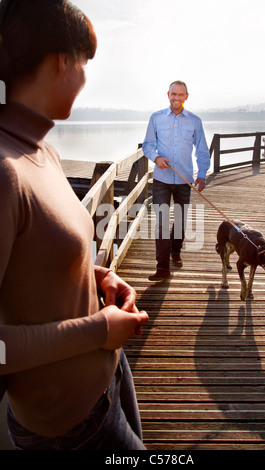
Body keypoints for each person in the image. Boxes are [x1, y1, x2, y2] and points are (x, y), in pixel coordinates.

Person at [0, 0, 149, 450]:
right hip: (68, 427)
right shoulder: (4, 169)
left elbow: (40, 255)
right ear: (63, 62)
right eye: (86, 63)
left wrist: (97, 276)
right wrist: (99, 330)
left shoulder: (43, 150)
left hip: (108, 374)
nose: (86, 77)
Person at [142, 80, 211, 281]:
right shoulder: (156, 118)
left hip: (184, 180)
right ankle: (162, 268)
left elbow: (201, 150)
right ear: (168, 94)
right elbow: (147, 145)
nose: (176, 98)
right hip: (161, 179)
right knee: (162, 223)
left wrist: (202, 174)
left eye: (181, 95)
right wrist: (156, 158)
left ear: (186, 97)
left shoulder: (195, 121)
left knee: (180, 221)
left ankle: (175, 251)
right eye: (173, 94)